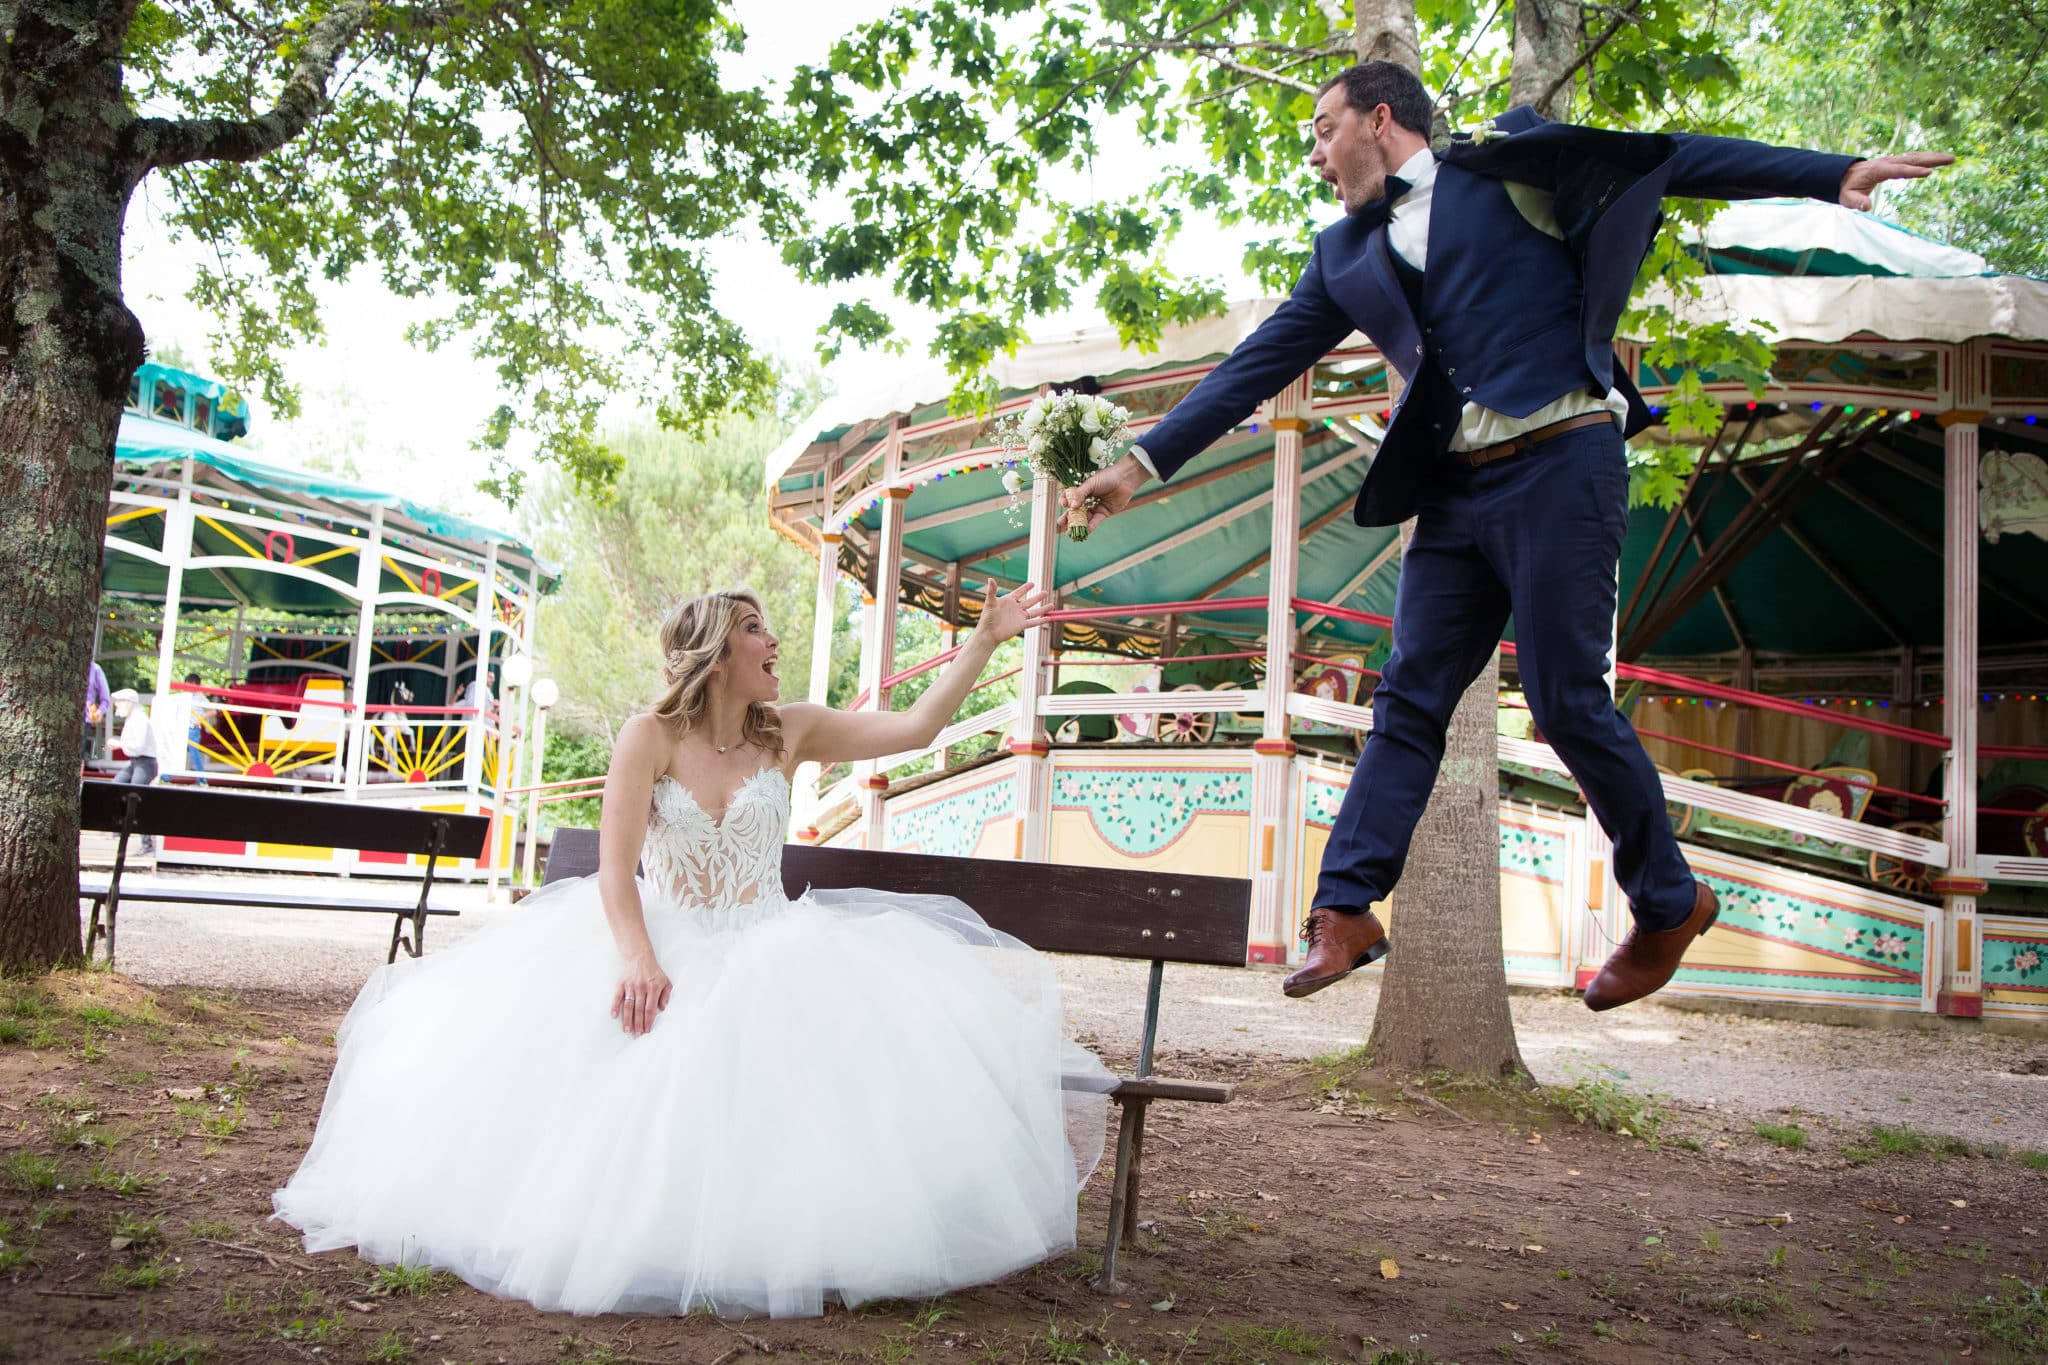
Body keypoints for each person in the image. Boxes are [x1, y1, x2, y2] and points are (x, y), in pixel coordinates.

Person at [1061, 62, 1953, 1013]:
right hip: (1451, 492)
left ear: (1380, 117)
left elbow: (1668, 160)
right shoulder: (1343, 256)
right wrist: (1138, 466)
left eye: (1324, 132)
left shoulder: (1506, 168)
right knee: (1405, 699)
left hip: (1561, 459)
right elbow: (1252, 368)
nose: (1314, 157)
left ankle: (1669, 902)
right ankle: (1347, 907)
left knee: (1569, 701)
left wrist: (1830, 173)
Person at [274, 585, 1112, 1317]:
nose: (773, 641)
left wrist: (985, 638)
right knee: (632, 1072)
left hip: (774, 942)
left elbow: (920, 726)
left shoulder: (792, 729)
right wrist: (639, 956)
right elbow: (614, 872)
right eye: (756, 628)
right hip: (665, 939)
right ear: (716, 651)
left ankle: (779, 1239)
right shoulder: (647, 737)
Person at [108, 689, 160, 855]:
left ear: (129, 702)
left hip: (145, 763)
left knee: (137, 798)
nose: (116, 705)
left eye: (120, 701)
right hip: (136, 762)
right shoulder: (133, 718)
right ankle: (121, 824)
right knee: (116, 786)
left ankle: (147, 843)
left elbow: (138, 745)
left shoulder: (140, 720)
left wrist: (119, 744)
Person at [83, 659, 111, 771]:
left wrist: (99, 712)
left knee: (78, 754)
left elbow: (105, 698)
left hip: (84, 719)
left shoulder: (95, 669)